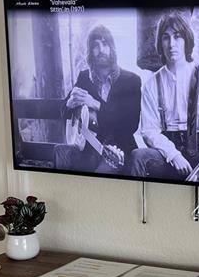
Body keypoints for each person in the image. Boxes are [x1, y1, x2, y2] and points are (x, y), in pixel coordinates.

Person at [131, 12, 199, 184]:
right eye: (166, 38)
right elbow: (149, 131)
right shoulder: (151, 84)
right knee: (138, 156)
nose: (171, 44)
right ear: (160, 43)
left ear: (187, 40)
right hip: (167, 154)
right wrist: (174, 155)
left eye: (177, 37)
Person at [54, 25, 142, 174]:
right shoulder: (84, 77)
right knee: (59, 151)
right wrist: (69, 104)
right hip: (89, 149)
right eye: (95, 45)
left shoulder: (131, 80)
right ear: (90, 51)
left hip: (118, 152)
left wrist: (95, 104)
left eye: (105, 43)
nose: (101, 50)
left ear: (112, 47)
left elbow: (130, 124)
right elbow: (64, 109)